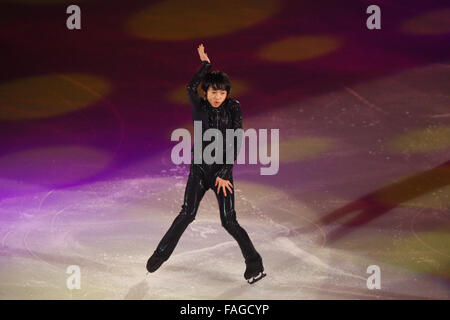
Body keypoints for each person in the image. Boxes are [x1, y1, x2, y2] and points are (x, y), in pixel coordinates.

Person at [146, 44, 265, 284]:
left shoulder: (234, 107)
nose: (217, 97)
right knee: (187, 213)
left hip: (222, 172)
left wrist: (224, 172)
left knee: (229, 221)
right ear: (206, 92)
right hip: (200, 169)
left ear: (227, 93)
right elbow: (190, 86)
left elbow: (236, 140)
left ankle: (255, 263)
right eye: (213, 92)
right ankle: (161, 254)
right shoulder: (199, 105)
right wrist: (205, 65)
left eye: (222, 93)